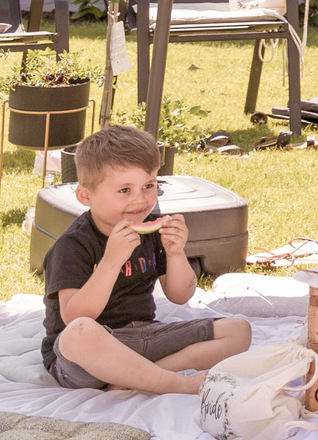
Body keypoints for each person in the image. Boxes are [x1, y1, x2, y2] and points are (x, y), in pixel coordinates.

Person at [43, 126, 250, 393]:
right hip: (86, 356)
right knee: (80, 333)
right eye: (124, 190)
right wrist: (111, 262)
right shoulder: (73, 245)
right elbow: (75, 316)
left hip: (143, 335)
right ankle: (178, 384)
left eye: (148, 186)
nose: (140, 200)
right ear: (86, 196)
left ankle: (138, 376)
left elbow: (180, 295)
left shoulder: (151, 229)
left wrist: (175, 252)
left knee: (238, 331)